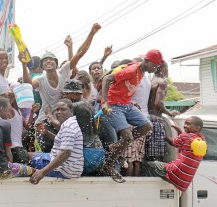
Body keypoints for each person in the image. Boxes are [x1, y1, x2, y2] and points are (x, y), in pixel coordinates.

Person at [21, 23, 101, 151]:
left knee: (68, 151)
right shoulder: (40, 80)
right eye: (45, 60)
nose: (48, 61)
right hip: (45, 120)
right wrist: (24, 65)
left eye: (51, 59)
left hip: (64, 118)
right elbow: (28, 84)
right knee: (48, 152)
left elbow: (79, 54)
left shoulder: (64, 71)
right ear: (42, 67)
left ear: (56, 64)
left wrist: (91, 33)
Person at [101, 49, 164, 182]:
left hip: (126, 104)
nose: (154, 68)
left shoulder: (142, 72)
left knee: (147, 126)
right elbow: (107, 79)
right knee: (127, 136)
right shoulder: (132, 71)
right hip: (114, 105)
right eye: (153, 65)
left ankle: (119, 144)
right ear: (146, 61)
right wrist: (105, 102)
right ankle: (108, 165)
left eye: (156, 66)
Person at [141, 116, 206, 192]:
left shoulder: (184, 137)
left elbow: (173, 142)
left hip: (175, 173)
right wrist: (180, 132)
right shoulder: (202, 139)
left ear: (197, 128)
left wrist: (162, 134)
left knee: (147, 164)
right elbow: (186, 142)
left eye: (188, 124)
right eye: (185, 123)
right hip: (184, 181)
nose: (185, 126)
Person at [29, 99, 84, 184]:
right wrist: (47, 133)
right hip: (72, 170)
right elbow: (64, 143)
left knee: (25, 156)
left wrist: (42, 172)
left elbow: (65, 153)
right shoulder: (71, 123)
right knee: (31, 155)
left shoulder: (68, 127)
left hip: (63, 171)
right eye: (57, 109)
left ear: (71, 110)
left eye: (63, 109)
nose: (59, 112)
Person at [57, 79, 104, 175]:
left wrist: (49, 115)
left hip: (87, 152)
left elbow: (60, 125)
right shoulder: (86, 103)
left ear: (76, 94)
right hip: (96, 150)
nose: (65, 96)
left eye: (67, 93)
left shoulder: (75, 106)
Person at [146, 61, 180, 162]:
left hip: (147, 119)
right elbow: (158, 103)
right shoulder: (162, 82)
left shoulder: (150, 80)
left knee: (148, 156)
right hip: (156, 121)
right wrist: (170, 113)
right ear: (163, 69)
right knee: (157, 158)